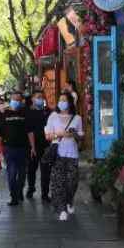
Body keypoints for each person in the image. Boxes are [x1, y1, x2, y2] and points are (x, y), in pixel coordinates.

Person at [46, 91, 84, 221]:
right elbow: (48, 136)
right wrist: (60, 134)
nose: (61, 103)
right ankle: (61, 209)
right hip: (58, 153)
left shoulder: (77, 118)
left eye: (64, 100)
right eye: (60, 100)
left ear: (70, 103)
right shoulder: (53, 116)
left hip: (72, 154)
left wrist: (74, 134)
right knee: (58, 182)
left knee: (72, 182)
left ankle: (69, 200)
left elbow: (81, 136)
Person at [0, 90, 34, 206]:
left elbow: (30, 132)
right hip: (9, 148)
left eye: (18, 100)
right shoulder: (5, 113)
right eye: (14, 99)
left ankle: (19, 191)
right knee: (11, 173)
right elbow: (0, 133)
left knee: (22, 174)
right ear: (10, 100)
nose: (16, 101)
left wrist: (33, 147)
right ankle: (14, 196)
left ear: (22, 101)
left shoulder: (26, 113)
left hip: (23, 148)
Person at [25, 90, 51, 201]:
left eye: (41, 97)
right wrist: (32, 147)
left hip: (46, 146)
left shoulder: (48, 112)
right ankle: (31, 188)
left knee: (46, 171)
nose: (40, 99)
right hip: (32, 146)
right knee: (31, 169)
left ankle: (45, 194)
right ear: (32, 99)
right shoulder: (28, 112)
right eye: (38, 97)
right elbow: (28, 130)